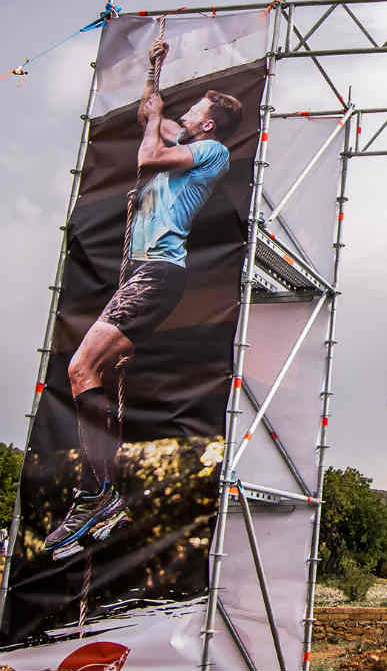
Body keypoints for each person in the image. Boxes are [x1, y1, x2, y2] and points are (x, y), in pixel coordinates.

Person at [45, 39, 242, 561]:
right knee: (88, 374)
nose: (187, 112)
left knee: (80, 367)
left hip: (157, 274)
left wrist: (154, 123)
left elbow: (149, 152)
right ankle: (101, 495)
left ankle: (96, 495)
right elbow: (146, 116)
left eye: (195, 110)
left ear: (208, 125)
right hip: (143, 275)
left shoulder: (211, 152)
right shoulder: (188, 139)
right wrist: (155, 70)